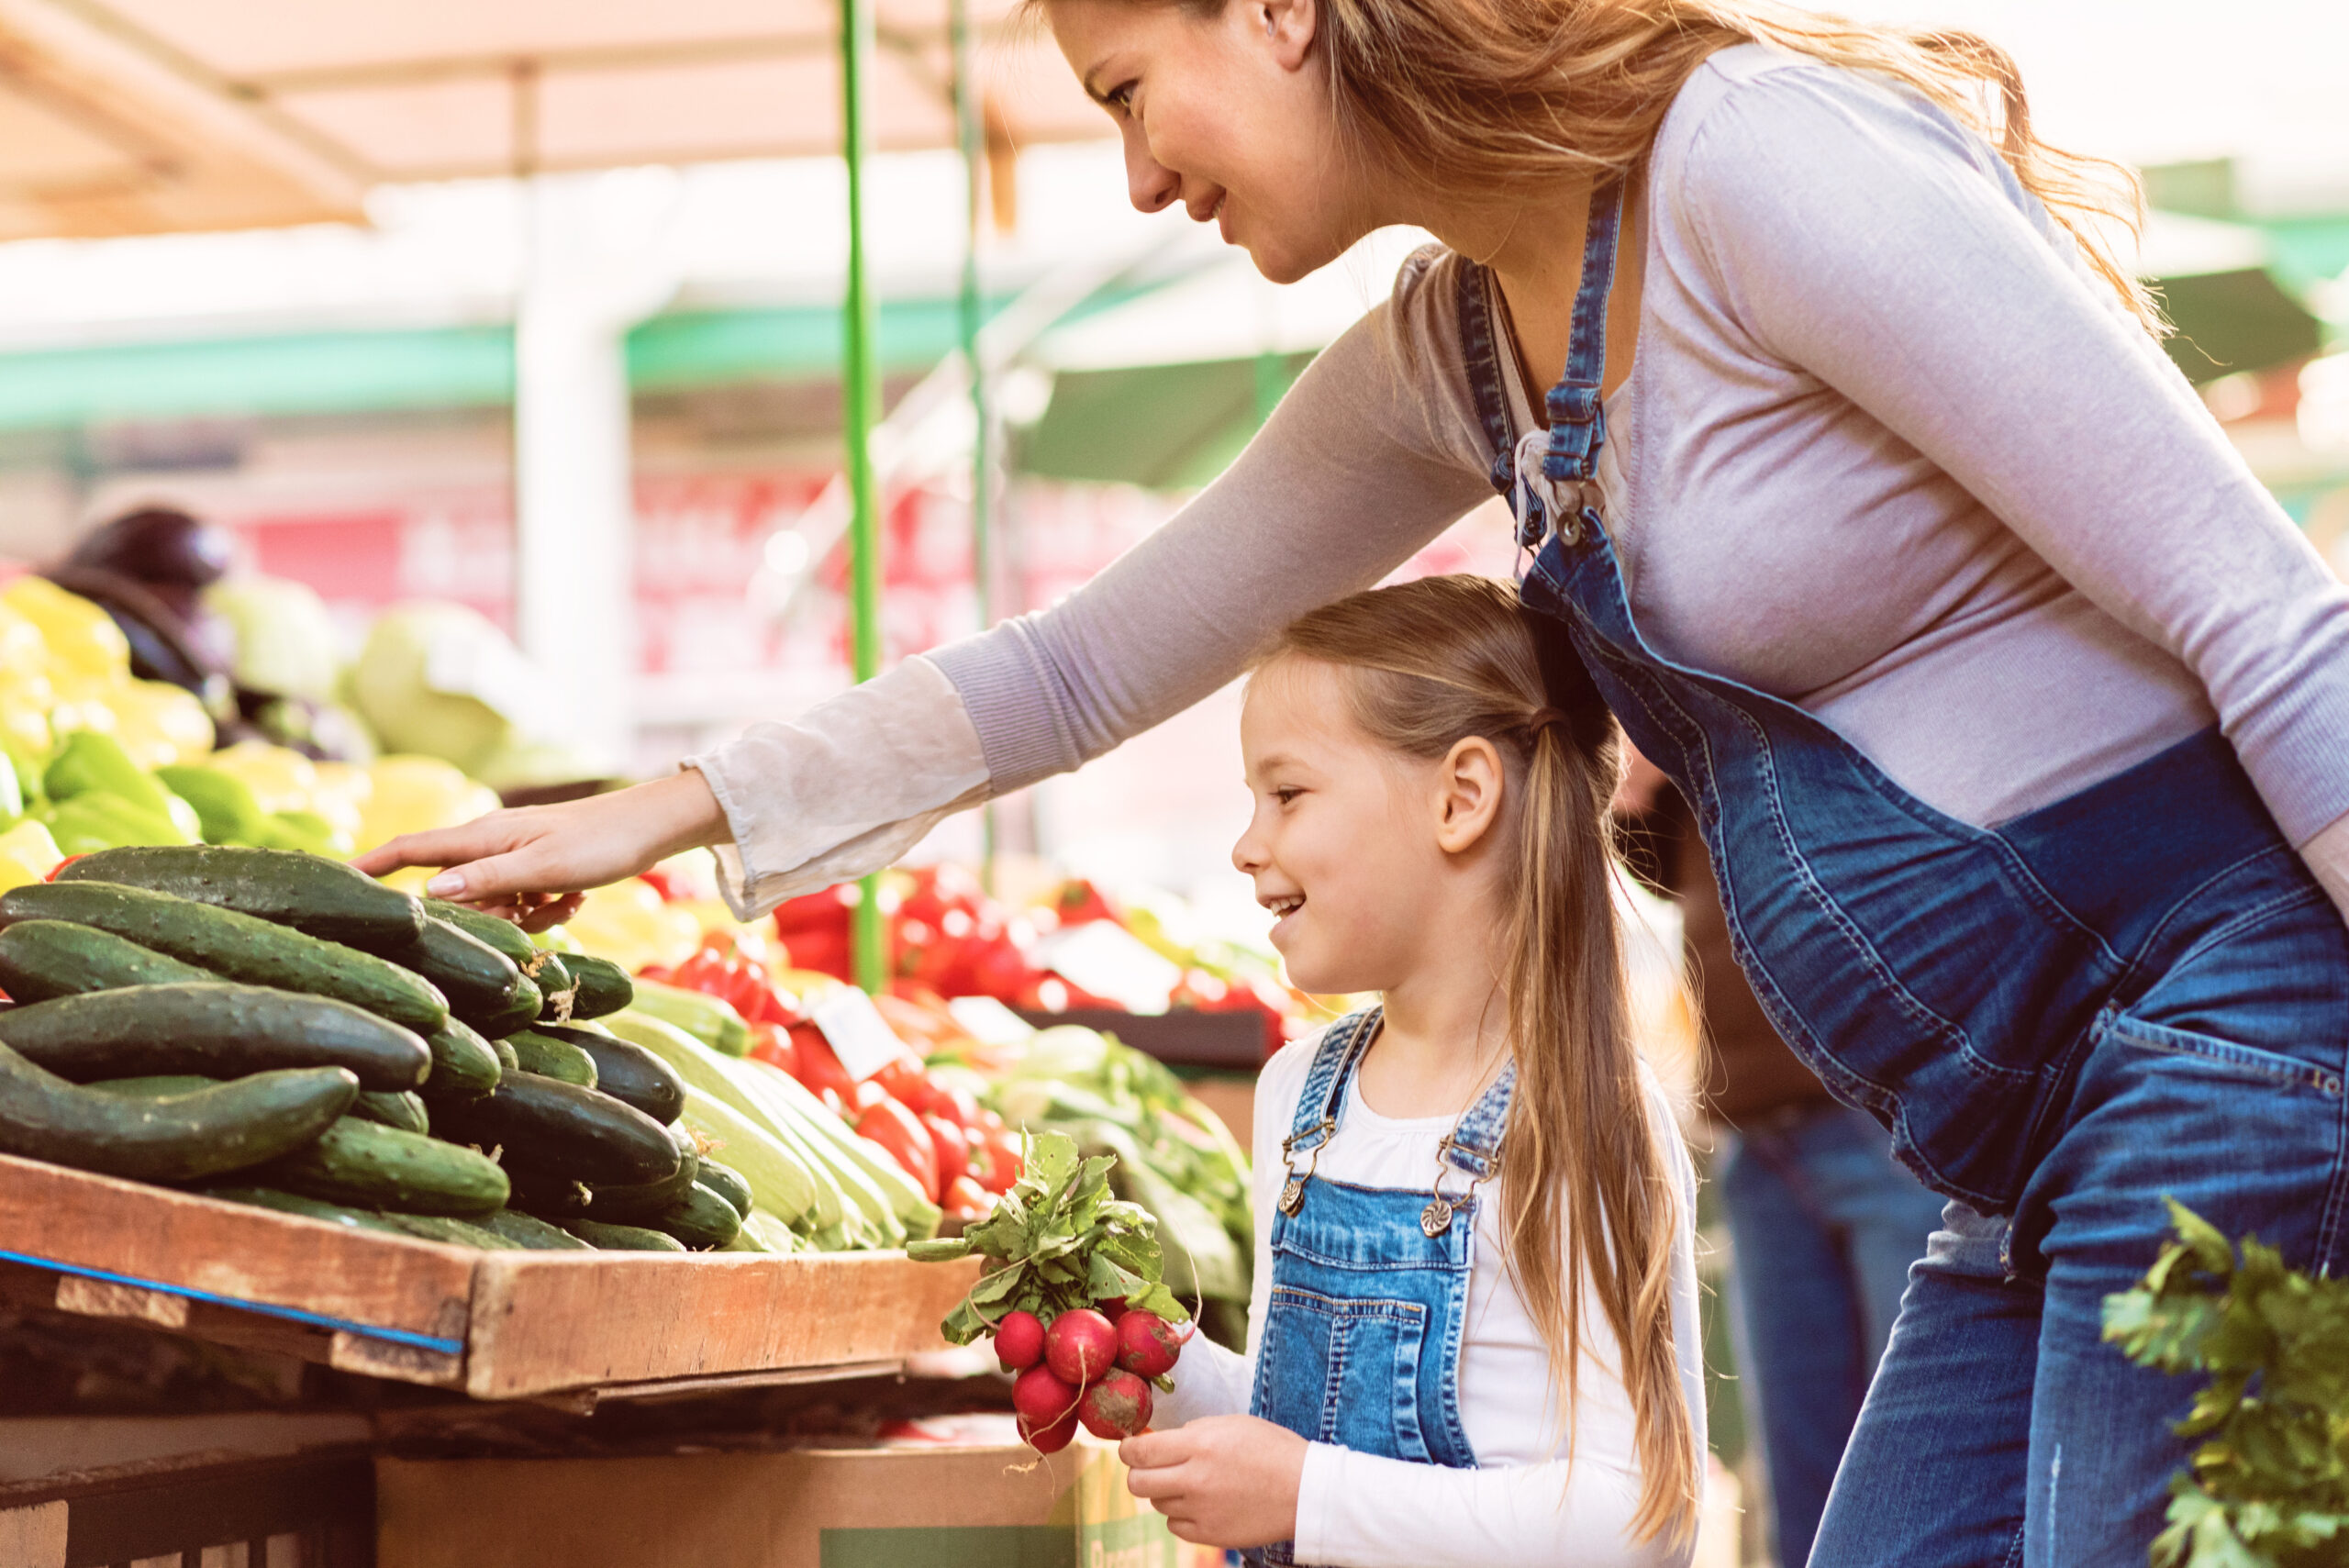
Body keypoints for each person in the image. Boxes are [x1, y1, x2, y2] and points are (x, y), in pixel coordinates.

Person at [361, 2, 2349, 1560]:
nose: (1136, 175)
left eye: (1132, 88)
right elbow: (1081, 658)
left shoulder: (1751, 164)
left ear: (1289, 14)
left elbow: (2261, 610)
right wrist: (660, 810)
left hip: (2211, 1040)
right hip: (2017, 1146)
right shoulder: (1460, 359)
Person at [1123, 573, 1702, 1563]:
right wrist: (1149, 1359)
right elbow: (1284, 1415)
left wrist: (1306, 1495)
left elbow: (1641, 1520)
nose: (1245, 844)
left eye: (1287, 792)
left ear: (1460, 796)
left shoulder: (1578, 1114)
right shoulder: (1295, 1094)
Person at [1620, 768, 1943, 1568]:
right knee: (1801, 1489)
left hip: (1881, 1117)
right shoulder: (1686, 743)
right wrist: (1640, 785)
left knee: (1914, 1470)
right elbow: (1670, 872)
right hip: (1755, 1134)